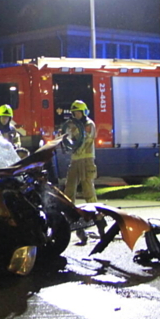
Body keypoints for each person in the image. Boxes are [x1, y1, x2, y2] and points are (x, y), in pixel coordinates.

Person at [61, 100, 97, 242]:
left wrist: (73, 132)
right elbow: (69, 140)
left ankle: (95, 216)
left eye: (78, 112)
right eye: (74, 112)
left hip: (86, 160)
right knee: (69, 190)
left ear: (84, 112)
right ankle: (69, 216)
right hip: (75, 161)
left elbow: (84, 140)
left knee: (88, 189)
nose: (76, 114)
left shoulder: (89, 124)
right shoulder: (72, 125)